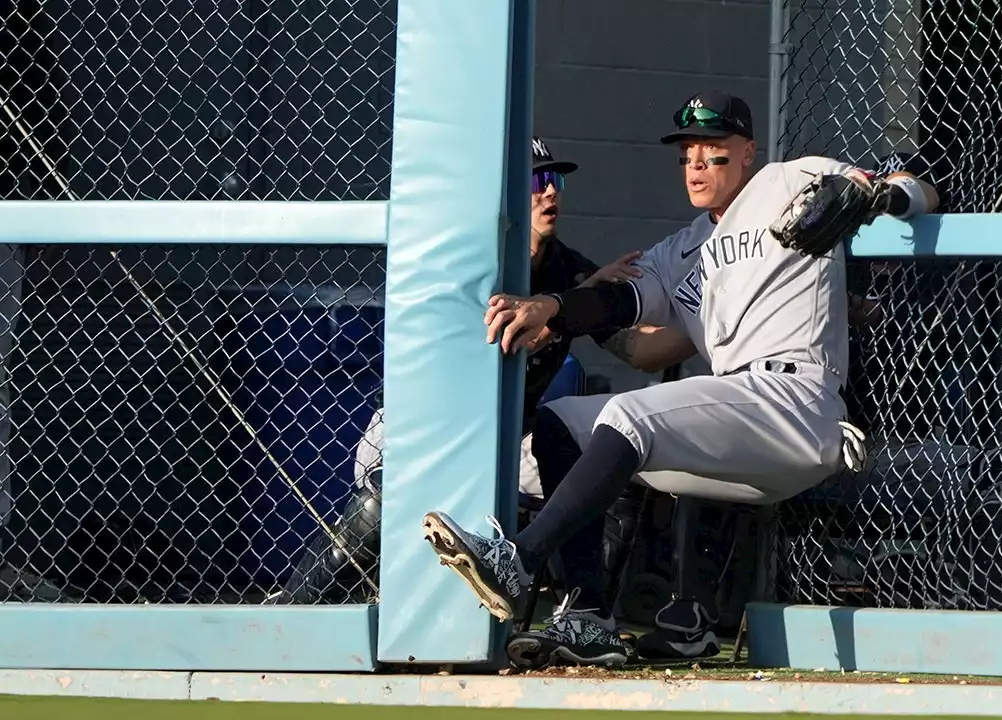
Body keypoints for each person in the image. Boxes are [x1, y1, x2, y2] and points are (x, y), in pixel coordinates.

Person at [422, 90, 940, 668]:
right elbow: (622, 307)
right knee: (565, 421)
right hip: (737, 413)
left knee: (628, 414)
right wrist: (554, 306)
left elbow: (922, 190)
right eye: (687, 152)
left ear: (747, 151)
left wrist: (879, 193)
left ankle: (517, 560)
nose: (696, 163)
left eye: (713, 150)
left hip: (798, 399)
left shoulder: (794, 180)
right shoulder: (684, 248)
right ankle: (589, 616)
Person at [267, 137, 692, 604]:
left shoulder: (570, 272)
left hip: (512, 445)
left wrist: (701, 323)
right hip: (423, 431)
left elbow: (636, 349)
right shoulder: (469, 262)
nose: (551, 193)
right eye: (537, 181)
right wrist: (568, 306)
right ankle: (297, 606)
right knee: (390, 494)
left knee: (616, 476)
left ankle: (585, 617)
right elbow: (492, 349)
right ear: (506, 193)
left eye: (557, 181)